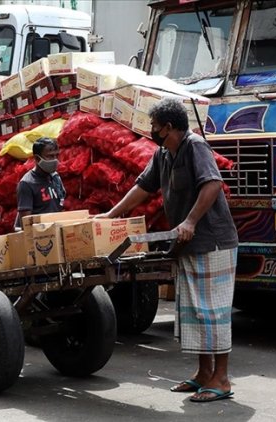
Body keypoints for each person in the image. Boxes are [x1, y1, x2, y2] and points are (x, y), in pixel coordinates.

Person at [97, 98, 238, 403]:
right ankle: (203, 373)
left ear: (169, 127)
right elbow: (143, 187)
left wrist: (190, 221)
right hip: (185, 244)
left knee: (212, 312)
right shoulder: (163, 153)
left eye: (155, 127)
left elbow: (212, 185)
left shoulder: (195, 146)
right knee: (193, 311)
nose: (152, 131)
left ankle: (222, 379)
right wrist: (111, 215)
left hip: (212, 241)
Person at [16, 137, 66, 227]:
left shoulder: (56, 178)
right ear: (37, 158)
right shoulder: (27, 183)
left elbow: (61, 207)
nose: (55, 160)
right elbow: (26, 223)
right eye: (50, 156)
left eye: (56, 156)